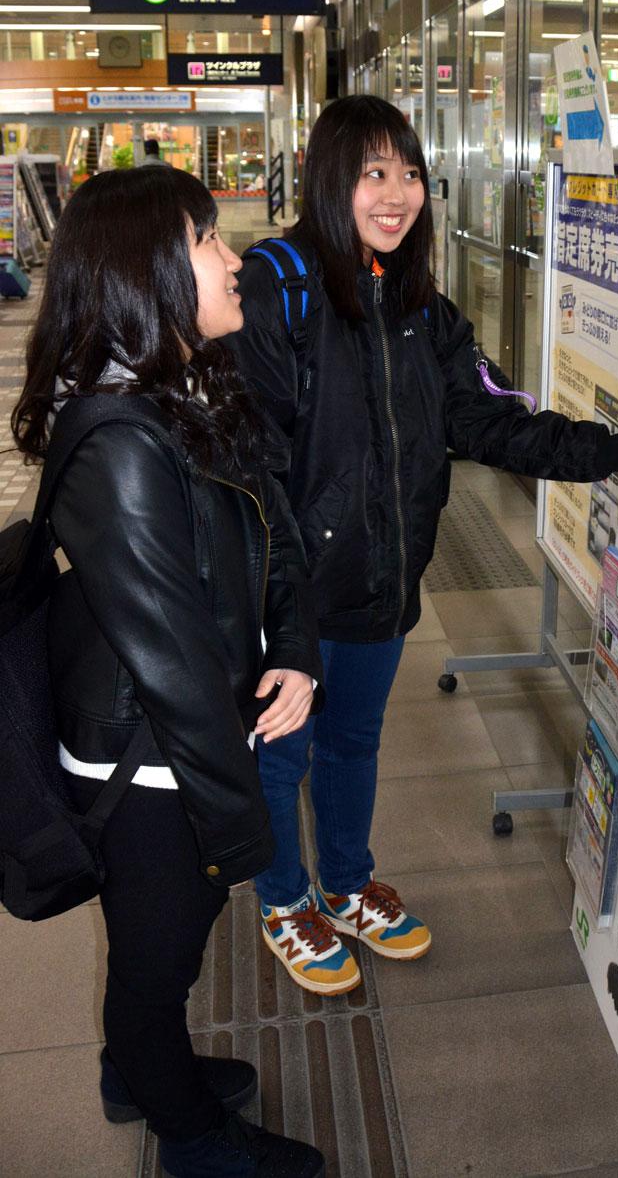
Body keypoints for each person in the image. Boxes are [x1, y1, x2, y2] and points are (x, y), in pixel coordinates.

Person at [229, 94, 618, 995]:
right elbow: (252, 463)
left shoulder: (423, 311)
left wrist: (610, 449)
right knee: (284, 754)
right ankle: (284, 901)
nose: (396, 196)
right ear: (329, 179)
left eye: (410, 176)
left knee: (353, 741)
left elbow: (491, 422)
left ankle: (345, 885)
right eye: (372, 174)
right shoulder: (278, 285)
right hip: (290, 592)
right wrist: (282, 610)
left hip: (384, 585)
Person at [11, 167, 327, 1178]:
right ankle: (186, 1131)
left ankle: (134, 1072)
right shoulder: (121, 441)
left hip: (181, 739)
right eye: (208, 240)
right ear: (148, 272)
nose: (234, 259)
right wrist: (238, 823)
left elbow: (264, 532)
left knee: (163, 949)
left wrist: (292, 648)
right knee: (159, 958)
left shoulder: (185, 387)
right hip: (148, 766)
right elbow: (176, 663)